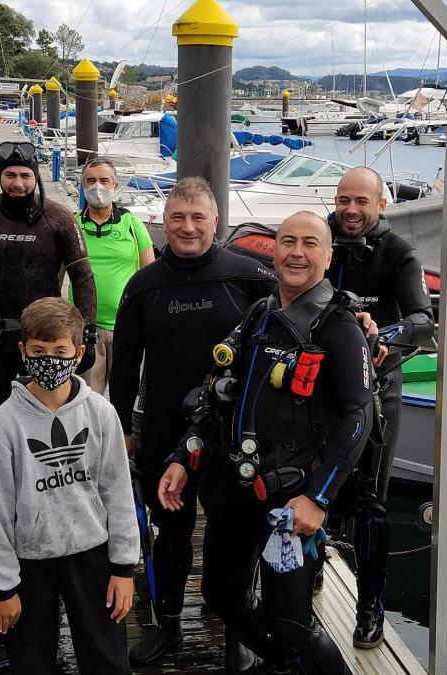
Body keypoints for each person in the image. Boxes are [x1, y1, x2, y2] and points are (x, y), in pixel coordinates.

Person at [158, 211, 374, 674]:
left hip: (289, 502)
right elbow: (218, 391)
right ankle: (282, 664)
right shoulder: (260, 313)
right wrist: (184, 454)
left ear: (328, 255)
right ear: (273, 251)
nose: (297, 252)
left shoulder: (340, 327)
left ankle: (296, 657)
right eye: (287, 241)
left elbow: (358, 418)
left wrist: (317, 498)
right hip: (236, 490)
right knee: (221, 594)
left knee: (291, 621)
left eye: (310, 244)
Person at [109, 177, 276, 665]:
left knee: (236, 529)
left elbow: (300, 310)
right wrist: (121, 427)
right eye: (177, 217)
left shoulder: (248, 276)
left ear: (215, 221)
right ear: (163, 222)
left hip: (229, 430)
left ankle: (237, 626)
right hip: (163, 424)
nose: (187, 227)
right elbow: (123, 362)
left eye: (198, 217)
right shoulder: (144, 285)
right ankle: (169, 625)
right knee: (171, 531)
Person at [0, 297, 140, 675]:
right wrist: (3, 588)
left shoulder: (101, 413)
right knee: (31, 662)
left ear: (80, 352)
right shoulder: (3, 426)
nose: (49, 360)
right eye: (38, 351)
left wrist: (124, 568)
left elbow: (118, 491)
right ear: (23, 351)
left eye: (59, 351)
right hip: (30, 562)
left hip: (93, 553)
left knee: (107, 659)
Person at [327, 166, 434, 649]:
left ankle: (370, 606)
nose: (351, 210)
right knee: (311, 487)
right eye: (344, 200)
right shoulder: (319, 239)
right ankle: (310, 569)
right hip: (319, 390)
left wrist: (381, 336)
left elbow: (422, 321)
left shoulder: (399, 253)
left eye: (361, 202)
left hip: (376, 390)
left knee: (371, 502)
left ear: (380, 205)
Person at [0, 141, 97, 429]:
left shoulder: (58, 217)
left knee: (46, 415)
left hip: (44, 339)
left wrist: (87, 333)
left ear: (36, 177)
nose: (17, 183)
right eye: (10, 175)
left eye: (25, 176)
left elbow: (82, 277)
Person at [73, 157, 155, 394]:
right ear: (82, 186)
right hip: (86, 327)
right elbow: (56, 276)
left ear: (115, 185)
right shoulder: (72, 224)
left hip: (125, 328)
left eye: (103, 180)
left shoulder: (132, 224)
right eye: (90, 181)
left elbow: (149, 275)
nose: (97, 187)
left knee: (125, 397)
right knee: (88, 398)